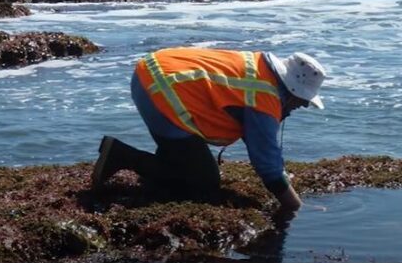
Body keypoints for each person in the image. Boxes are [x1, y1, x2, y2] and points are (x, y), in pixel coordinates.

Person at [91, 47, 328, 212]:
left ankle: (163, 170)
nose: (301, 106)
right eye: (303, 101)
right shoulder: (264, 99)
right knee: (204, 182)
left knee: (184, 157)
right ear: (292, 91)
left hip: (150, 71)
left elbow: (261, 144)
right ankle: (120, 155)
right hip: (161, 92)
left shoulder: (259, 68)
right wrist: (297, 208)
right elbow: (267, 165)